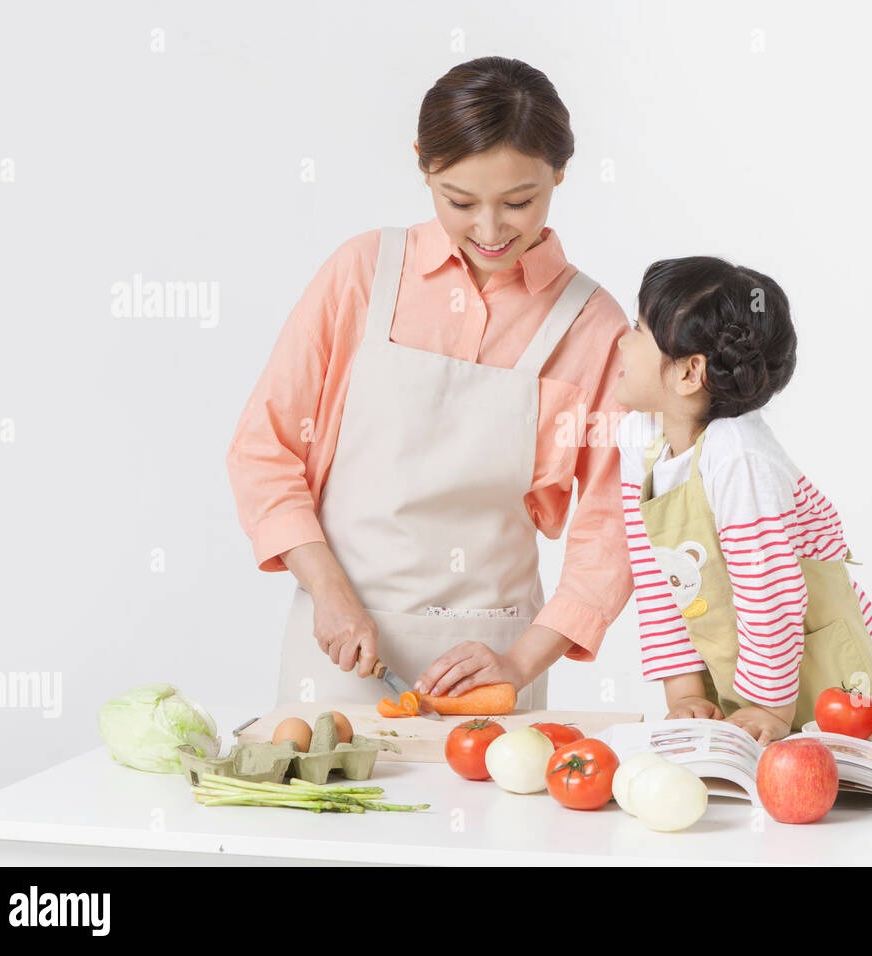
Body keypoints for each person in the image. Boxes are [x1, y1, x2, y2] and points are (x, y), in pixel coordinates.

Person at [226, 57, 633, 708]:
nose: (491, 230)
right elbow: (264, 450)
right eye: (460, 201)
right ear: (423, 164)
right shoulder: (363, 273)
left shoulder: (594, 328)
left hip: (496, 664)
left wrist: (518, 662)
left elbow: (612, 523)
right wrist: (329, 595)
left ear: (560, 171)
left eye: (520, 201)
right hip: (340, 647)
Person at [615, 257, 872, 745]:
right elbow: (659, 576)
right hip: (742, 675)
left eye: (637, 329)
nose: (621, 340)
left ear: (688, 372)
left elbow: (771, 594)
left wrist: (768, 707)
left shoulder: (738, 456)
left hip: (819, 677)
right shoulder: (639, 438)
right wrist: (682, 692)